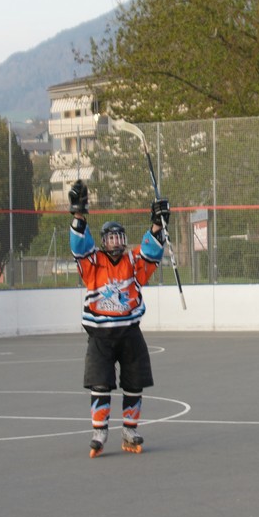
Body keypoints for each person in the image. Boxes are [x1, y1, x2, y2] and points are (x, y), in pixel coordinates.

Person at [68, 178, 167, 458]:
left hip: (129, 332)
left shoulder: (133, 262)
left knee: (134, 382)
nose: (115, 242)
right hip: (100, 335)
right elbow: (79, 246)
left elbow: (150, 253)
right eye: (110, 238)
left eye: (119, 237)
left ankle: (129, 430)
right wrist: (78, 213)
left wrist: (157, 224)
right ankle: (99, 432)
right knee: (100, 383)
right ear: (103, 241)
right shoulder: (93, 262)